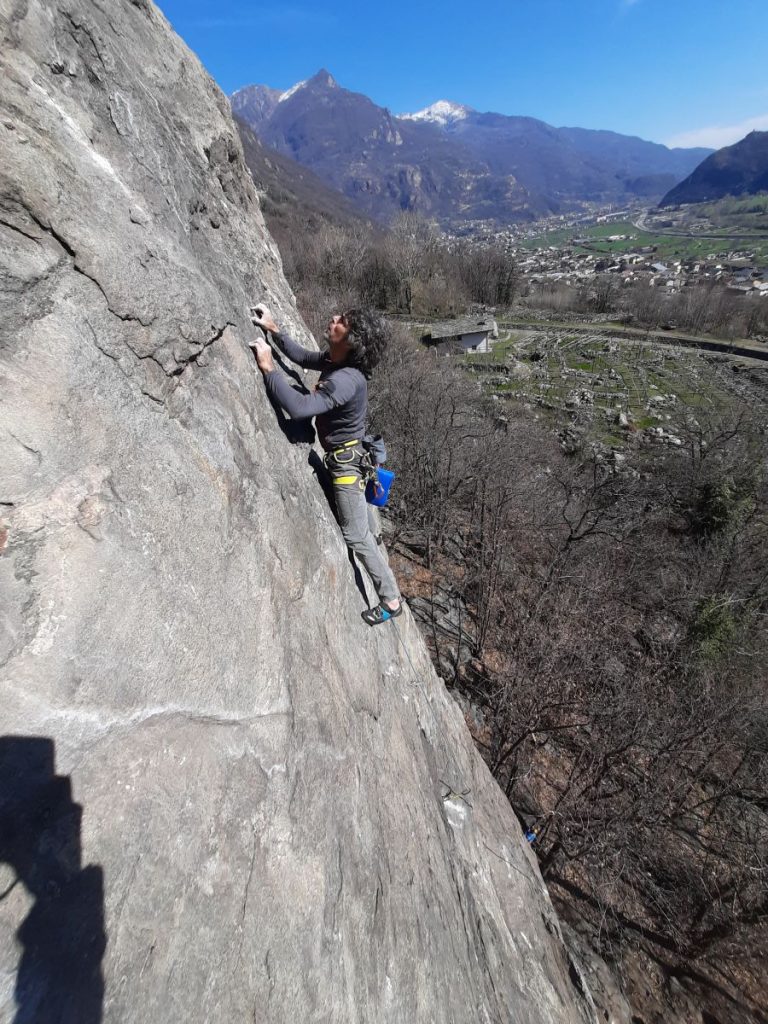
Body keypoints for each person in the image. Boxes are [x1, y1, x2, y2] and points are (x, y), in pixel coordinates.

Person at [250, 305, 402, 626]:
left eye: (342, 322)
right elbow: (304, 358)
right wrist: (275, 330)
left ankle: (390, 599)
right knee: (362, 529)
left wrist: (268, 369)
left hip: (346, 469)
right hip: (348, 457)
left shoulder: (346, 379)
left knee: (356, 536)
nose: (333, 318)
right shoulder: (338, 360)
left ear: (352, 341)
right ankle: (379, 558)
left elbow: (300, 407)